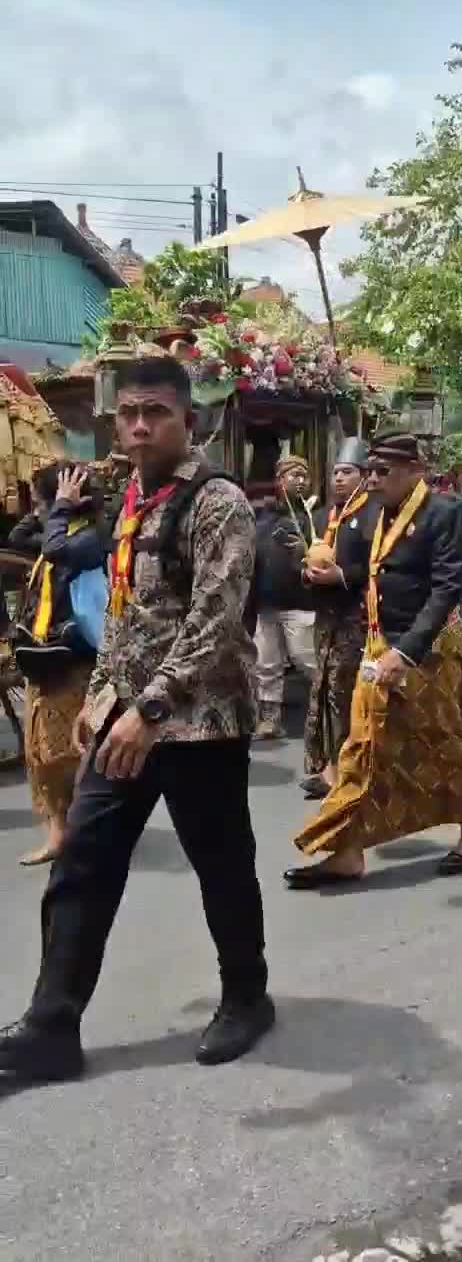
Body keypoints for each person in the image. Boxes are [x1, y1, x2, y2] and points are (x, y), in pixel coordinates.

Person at [0, 355, 272, 1085]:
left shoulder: (219, 503)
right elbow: (126, 614)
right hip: (125, 721)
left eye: (156, 412)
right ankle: (52, 1026)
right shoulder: (131, 498)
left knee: (222, 868)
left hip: (200, 723)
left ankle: (247, 995)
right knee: (81, 865)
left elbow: (215, 624)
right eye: (129, 414)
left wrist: (151, 707)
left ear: (189, 419)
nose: (141, 426)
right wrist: (102, 697)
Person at [284, 429, 462, 888]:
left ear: (415, 472)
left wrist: (406, 651)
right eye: (370, 470)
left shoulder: (444, 512)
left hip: (429, 651)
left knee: (441, 745)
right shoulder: (374, 512)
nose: (372, 479)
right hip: (378, 646)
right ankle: (347, 852)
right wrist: (326, 573)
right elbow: (361, 574)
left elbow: (445, 589)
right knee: (360, 746)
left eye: (383, 471)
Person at [10, 464, 106, 867]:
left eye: (41, 498)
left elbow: (54, 551)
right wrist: (48, 511)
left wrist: (62, 505)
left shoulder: (93, 537)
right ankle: (58, 833)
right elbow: (18, 537)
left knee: (74, 751)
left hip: (75, 662)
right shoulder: (57, 530)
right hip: (42, 658)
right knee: (39, 755)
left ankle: (91, 832)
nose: (39, 507)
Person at [302, 438, 377, 799]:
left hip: (356, 617)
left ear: (364, 476)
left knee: (344, 690)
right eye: (335, 472)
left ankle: (348, 767)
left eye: (346, 472)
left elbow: (377, 566)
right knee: (323, 687)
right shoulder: (323, 516)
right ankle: (328, 764)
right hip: (325, 616)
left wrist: (342, 576)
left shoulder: (371, 516)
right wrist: (306, 572)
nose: (339, 478)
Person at [254, 456, 316, 739]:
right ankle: (270, 718)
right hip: (266, 602)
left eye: (304, 476)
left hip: (299, 601)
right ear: (280, 480)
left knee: (306, 658)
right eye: (294, 475)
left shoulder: (314, 517)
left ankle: (327, 709)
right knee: (267, 662)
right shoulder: (263, 516)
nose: (300, 481)